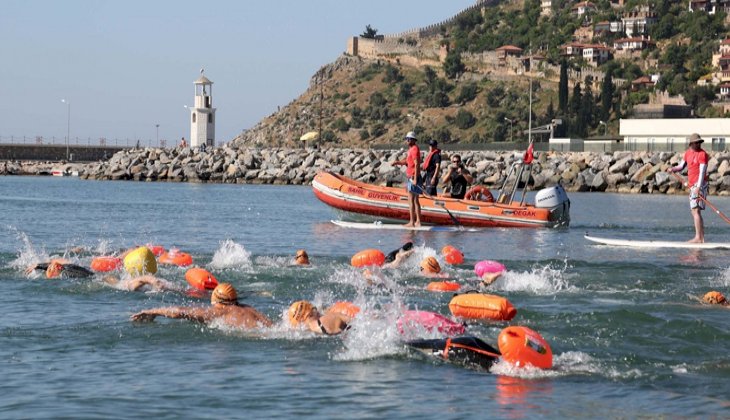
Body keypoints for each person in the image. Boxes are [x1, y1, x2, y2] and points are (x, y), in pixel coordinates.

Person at [130, 283, 273, 329]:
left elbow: (179, 312)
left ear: (216, 300)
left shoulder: (220, 311)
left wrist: (154, 311)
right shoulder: (248, 308)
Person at [667, 133, 709, 243]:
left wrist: (698, 187)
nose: (698, 144)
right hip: (692, 185)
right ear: (691, 144)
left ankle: (698, 238)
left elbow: (702, 172)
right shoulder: (687, 154)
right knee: (695, 211)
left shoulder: (703, 154)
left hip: (700, 184)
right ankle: (701, 238)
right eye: (696, 142)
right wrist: (673, 169)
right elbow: (681, 166)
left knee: (696, 210)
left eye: (699, 142)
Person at [393, 131, 423, 227]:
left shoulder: (414, 149)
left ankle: (412, 222)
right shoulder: (411, 149)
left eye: (408, 139)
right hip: (413, 176)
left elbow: (417, 163)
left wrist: (415, 178)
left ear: (412, 140)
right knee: (415, 200)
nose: (406, 141)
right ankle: (418, 221)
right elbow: (407, 161)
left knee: (411, 200)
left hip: (413, 177)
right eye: (406, 139)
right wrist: (398, 162)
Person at [103, 274, 180, 292]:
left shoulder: (124, 285)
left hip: (154, 282)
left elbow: (142, 279)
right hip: (155, 283)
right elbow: (142, 279)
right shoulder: (127, 285)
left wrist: (153, 281)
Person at [25, 259, 94, 279]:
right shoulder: (63, 267)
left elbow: (90, 276)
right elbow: (49, 265)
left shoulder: (66, 273)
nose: (48, 267)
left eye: (49, 269)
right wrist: (38, 266)